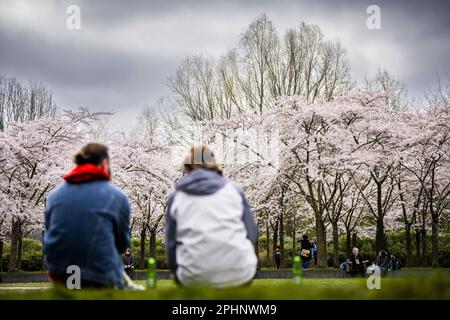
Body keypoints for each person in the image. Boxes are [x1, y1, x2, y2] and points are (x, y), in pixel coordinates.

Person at [165, 144, 258, 288]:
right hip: (239, 273)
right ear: (213, 163)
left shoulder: (176, 196)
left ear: (187, 166)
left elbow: (171, 243)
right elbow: (251, 234)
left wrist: (177, 272)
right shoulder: (233, 190)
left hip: (193, 277)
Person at [44, 143, 131, 288]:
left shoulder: (54, 196)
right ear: (104, 163)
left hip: (61, 273)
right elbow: (121, 244)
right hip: (100, 274)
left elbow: (50, 233)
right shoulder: (117, 197)